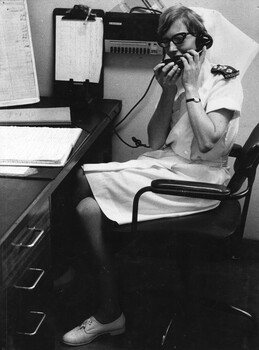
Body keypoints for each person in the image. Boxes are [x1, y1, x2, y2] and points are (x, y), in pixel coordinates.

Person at [62, 4, 243, 346]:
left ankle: (103, 300)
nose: (172, 49)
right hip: (169, 165)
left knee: (86, 194)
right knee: (84, 193)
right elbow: (156, 140)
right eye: (165, 42)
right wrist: (168, 92)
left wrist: (190, 89)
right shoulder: (179, 79)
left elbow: (206, 143)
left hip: (197, 182)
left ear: (202, 39)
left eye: (180, 39)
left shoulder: (224, 81)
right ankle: (98, 288)